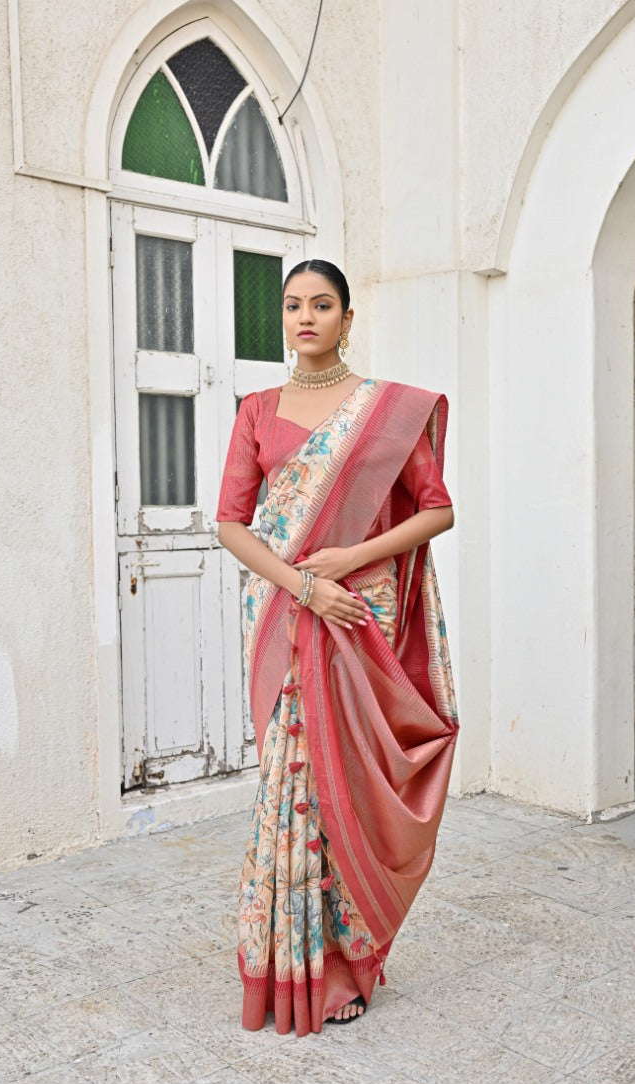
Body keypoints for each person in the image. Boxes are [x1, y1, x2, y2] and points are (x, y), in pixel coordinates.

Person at [216, 258, 459, 1034]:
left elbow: (437, 511)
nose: (306, 317)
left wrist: (349, 563)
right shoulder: (255, 411)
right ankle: (289, 963)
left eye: (323, 305)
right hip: (290, 624)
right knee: (291, 786)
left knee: (345, 786)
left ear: (347, 318)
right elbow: (230, 524)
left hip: (356, 620)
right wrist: (302, 586)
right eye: (293, 306)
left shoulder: (383, 411)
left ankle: (349, 964)